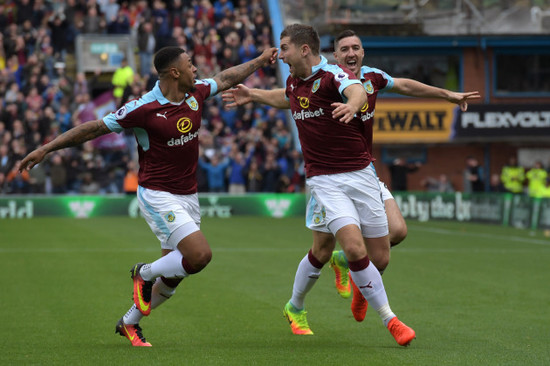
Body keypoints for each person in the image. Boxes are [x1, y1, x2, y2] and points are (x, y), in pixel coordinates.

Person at [19, 45, 278, 347]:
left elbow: (227, 77)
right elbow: (93, 128)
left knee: (174, 277)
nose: (196, 69)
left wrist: (260, 61)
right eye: (190, 65)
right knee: (200, 256)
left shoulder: (196, 93)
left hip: (187, 195)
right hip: (158, 195)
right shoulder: (143, 108)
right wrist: (46, 148)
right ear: (174, 72)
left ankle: (129, 323)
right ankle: (143, 273)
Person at [224, 28, 480, 325]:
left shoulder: (369, 77)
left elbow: (404, 86)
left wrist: (446, 94)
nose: (351, 53)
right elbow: (287, 97)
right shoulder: (315, 79)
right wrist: (254, 94)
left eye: (356, 48)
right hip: (327, 177)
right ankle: (297, 306)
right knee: (321, 249)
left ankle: (349, 267)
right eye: (344, 49)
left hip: (362, 170)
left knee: (396, 232)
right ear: (335, 55)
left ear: (362, 52)